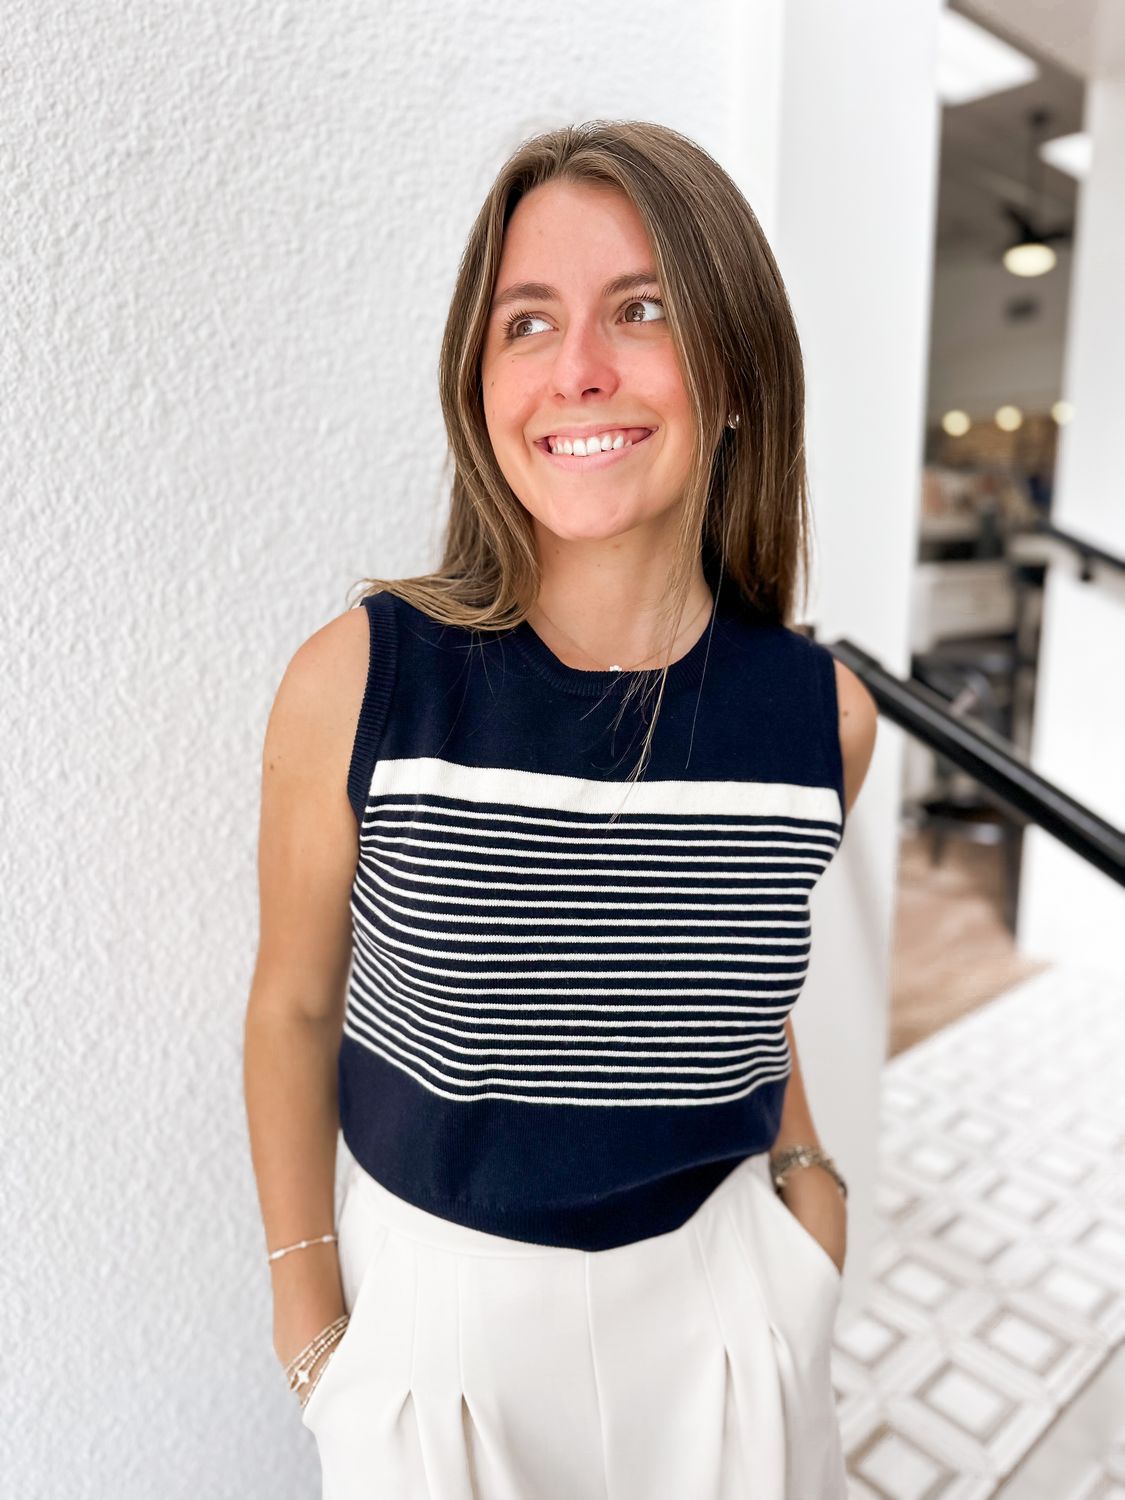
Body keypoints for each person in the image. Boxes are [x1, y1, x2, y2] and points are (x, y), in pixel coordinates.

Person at [244, 118, 878, 1500]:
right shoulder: (362, 681)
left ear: (735, 370)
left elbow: (737, 969)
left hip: (729, 1309)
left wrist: (808, 1194)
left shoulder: (821, 716)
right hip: (442, 1337)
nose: (577, 368)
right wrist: (311, 1321)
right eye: (526, 322)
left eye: (641, 309)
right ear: (479, 384)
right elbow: (293, 1004)